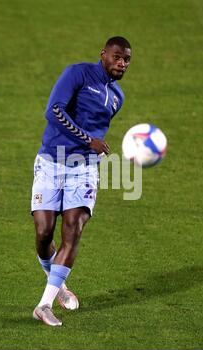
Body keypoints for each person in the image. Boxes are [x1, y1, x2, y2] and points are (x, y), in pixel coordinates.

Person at [31, 36, 132, 326]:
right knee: (43, 233)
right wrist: (89, 140)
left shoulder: (117, 98)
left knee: (73, 228)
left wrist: (90, 148)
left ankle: (44, 304)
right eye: (116, 57)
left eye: (126, 59)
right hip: (51, 161)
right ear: (103, 55)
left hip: (84, 168)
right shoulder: (77, 73)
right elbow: (53, 111)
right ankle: (59, 286)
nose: (121, 63)